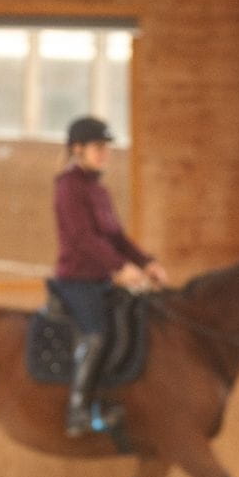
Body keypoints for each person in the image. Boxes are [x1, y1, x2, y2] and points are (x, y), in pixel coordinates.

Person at [52, 115, 168, 437]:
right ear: (78, 149)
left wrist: (146, 263)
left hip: (102, 278)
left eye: (107, 147)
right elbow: (82, 238)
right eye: (98, 147)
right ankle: (77, 411)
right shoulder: (68, 188)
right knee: (96, 335)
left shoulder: (98, 191)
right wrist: (118, 267)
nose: (105, 153)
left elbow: (116, 237)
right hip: (77, 281)